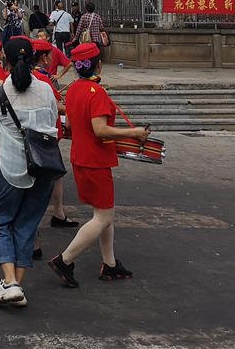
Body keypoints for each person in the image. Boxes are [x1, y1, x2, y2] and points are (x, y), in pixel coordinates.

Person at [48, 42, 150, 287]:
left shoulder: (73, 90)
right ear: (99, 64)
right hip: (96, 160)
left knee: (105, 214)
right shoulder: (97, 93)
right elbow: (101, 131)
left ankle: (110, 264)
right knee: (103, 216)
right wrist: (134, 133)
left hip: (80, 157)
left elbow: (71, 126)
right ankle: (65, 259)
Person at [0, 37, 60, 304]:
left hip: (12, 169)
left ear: (4, 59)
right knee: (27, 224)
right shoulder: (47, 89)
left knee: (0, 220)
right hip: (45, 167)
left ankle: (11, 282)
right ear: (35, 59)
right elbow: (53, 115)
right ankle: (15, 287)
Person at [31, 39, 77, 230]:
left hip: (38, 130)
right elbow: (55, 107)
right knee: (52, 172)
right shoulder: (42, 78)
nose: (52, 59)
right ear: (44, 57)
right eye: (50, 56)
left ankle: (58, 213)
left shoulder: (34, 74)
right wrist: (76, 108)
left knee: (53, 173)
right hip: (45, 132)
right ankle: (55, 214)